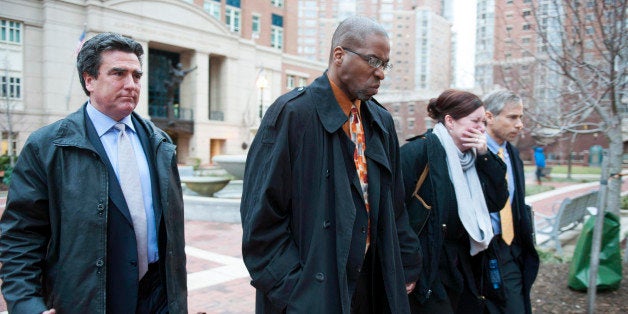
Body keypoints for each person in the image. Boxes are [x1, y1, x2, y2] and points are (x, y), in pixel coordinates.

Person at [240, 16, 421, 313]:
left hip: (372, 287)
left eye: (385, 64)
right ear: (339, 55)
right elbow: (260, 221)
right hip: (312, 293)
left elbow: (394, 205)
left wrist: (406, 264)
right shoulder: (292, 115)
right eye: (373, 60)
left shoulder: (381, 121)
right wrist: (297, 293)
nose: (381, 74)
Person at [0, 33, 187, 313]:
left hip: (157, 298)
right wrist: (27, 304)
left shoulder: (159, 143)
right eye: (118, 73)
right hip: (89, 300)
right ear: (89, 80)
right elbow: (21, 236)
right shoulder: (47, 146)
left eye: (136, 76)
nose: (131, 84)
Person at [400, 89, 508, 313]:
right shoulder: (419, 152)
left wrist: (485, 156)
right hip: (429, 263)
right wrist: (406, 266)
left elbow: (497, 202)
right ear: (450, 121)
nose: (481, 128)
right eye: (475, 121)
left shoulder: (476, 157)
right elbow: (394, 213)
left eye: (484, 122)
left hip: (465, 261)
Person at [483, 90, 539, 314]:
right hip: (478, 250)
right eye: (512, 117)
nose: (520, 125)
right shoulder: (469, 152)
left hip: (508, 248)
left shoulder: (513, 155)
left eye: (521, 117)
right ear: (489, 116)